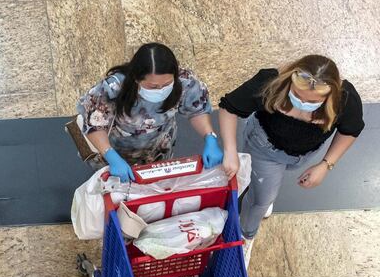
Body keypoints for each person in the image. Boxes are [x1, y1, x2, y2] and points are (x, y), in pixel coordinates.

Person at [218, 55, 364, 264]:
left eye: (313, 101)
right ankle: (246, 236)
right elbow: (229, 107)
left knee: (268, 188)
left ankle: (265, 195)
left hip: (303, 152)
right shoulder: (269, 84)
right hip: (264, 149)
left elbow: (351, 130)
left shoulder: (345, 100)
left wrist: (326, 164)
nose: (303, 103)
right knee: (260, 200)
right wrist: (230, 151)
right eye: (297, 95)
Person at [76, 42, 223, 181]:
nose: (160, 90)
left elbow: (197, 110)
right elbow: (94, 124)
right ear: (136, 79)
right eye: (153, 87)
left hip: (158, 147)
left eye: (166, 84)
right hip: (116, 149)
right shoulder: (113, 87)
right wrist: (110, 155)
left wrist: (210, 137)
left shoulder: (185, 81)